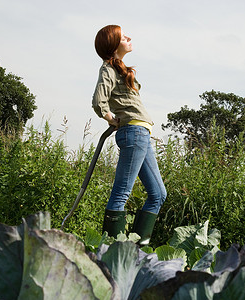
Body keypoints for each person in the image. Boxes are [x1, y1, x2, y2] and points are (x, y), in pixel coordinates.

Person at [92, 25, 167, 245]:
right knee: (122, 194)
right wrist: (110, 118)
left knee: (158, 195)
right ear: (113, 45)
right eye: (123, 36)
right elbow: (99, 100)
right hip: (133, 133)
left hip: (141, 134)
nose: (129, 37)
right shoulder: (107, 68)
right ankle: (110, 251)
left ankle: (136, 250)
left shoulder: (121, 69)